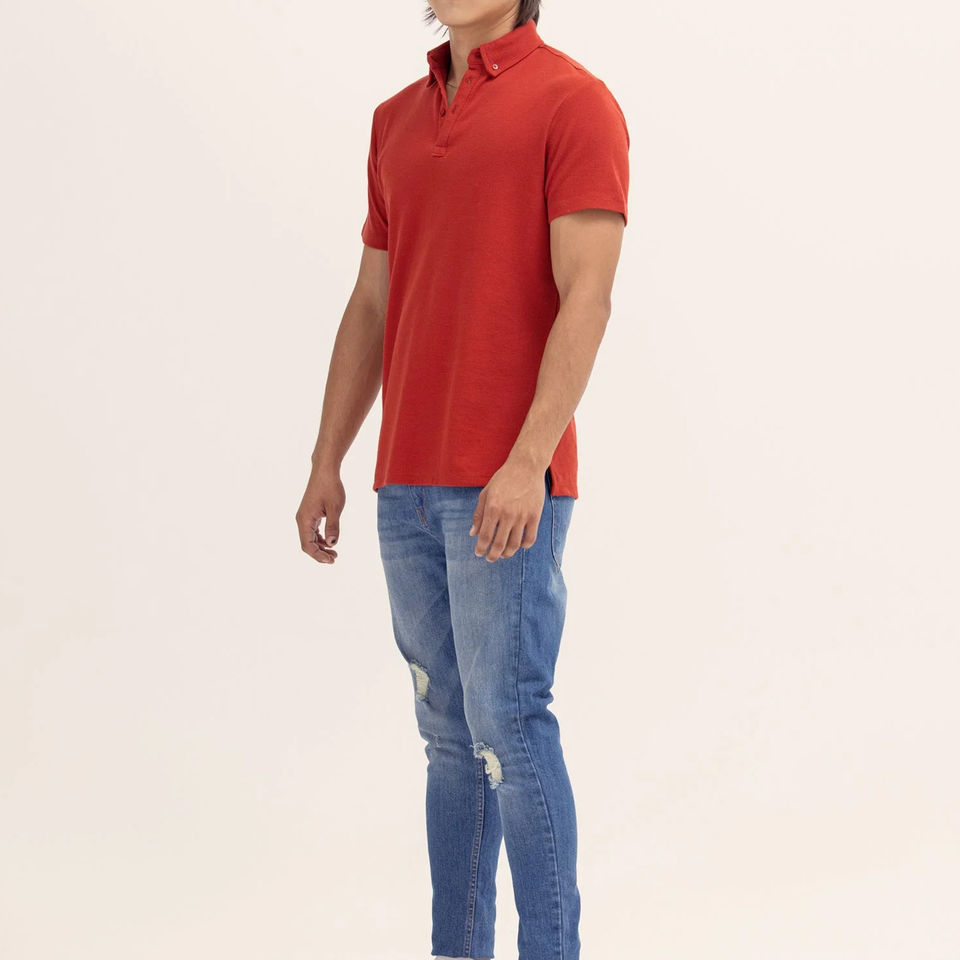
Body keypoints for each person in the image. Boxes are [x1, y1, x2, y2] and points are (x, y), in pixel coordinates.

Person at [295, 2, 629, 957]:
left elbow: (588, 295)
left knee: (509, 727)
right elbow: (372, 301)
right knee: (448, 736)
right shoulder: (396, 118)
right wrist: (327, 459)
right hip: (404, 480)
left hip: (506, 482)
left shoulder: (574, 101)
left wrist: (528, 460)